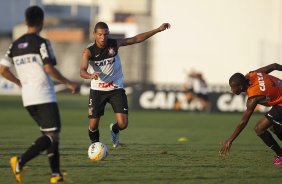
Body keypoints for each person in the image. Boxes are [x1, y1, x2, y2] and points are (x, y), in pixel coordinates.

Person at [0, 6, 77, 183]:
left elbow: (3, 69)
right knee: (52, 135)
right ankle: (20, 161)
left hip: (28, 97)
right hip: (44, 94)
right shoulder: (42, 43)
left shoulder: (15, 44)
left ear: (26, 21)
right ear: (42, 22)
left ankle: (56, 175)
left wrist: (19, 82)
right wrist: (67, 82)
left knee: (50, 135)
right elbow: (49, 68)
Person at [80, 21, 170, 148]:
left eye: (105, 34)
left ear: (108, 34)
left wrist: (157, 30)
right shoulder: (88, 51)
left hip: (116, 88)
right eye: (100, 34)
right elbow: (82, 71)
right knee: (93, 125)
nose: (103, 38)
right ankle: (95, 146)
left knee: (123, 124)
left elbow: (135, 39)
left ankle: (114, 130)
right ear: (94, 34)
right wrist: (90, 76)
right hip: (97, 90)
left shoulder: (114, 44)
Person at [219, 63, 282, 165]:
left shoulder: (253, 98)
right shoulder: (253, 74)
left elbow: (243, 121)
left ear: (240, 87)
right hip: (279, 102)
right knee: (273, 127)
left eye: (233, 87)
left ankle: (281, 155)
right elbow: (274, 66)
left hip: (280, 103)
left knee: (259, 128)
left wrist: (230, 140)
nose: (231, 90)